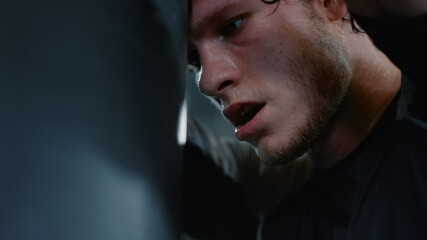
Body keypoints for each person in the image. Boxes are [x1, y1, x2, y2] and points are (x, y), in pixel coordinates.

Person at [184, 0, 427, 239]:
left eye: (233, 26)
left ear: (329, 3)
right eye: (194, 60)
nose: (208, 82)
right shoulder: (261, 201)